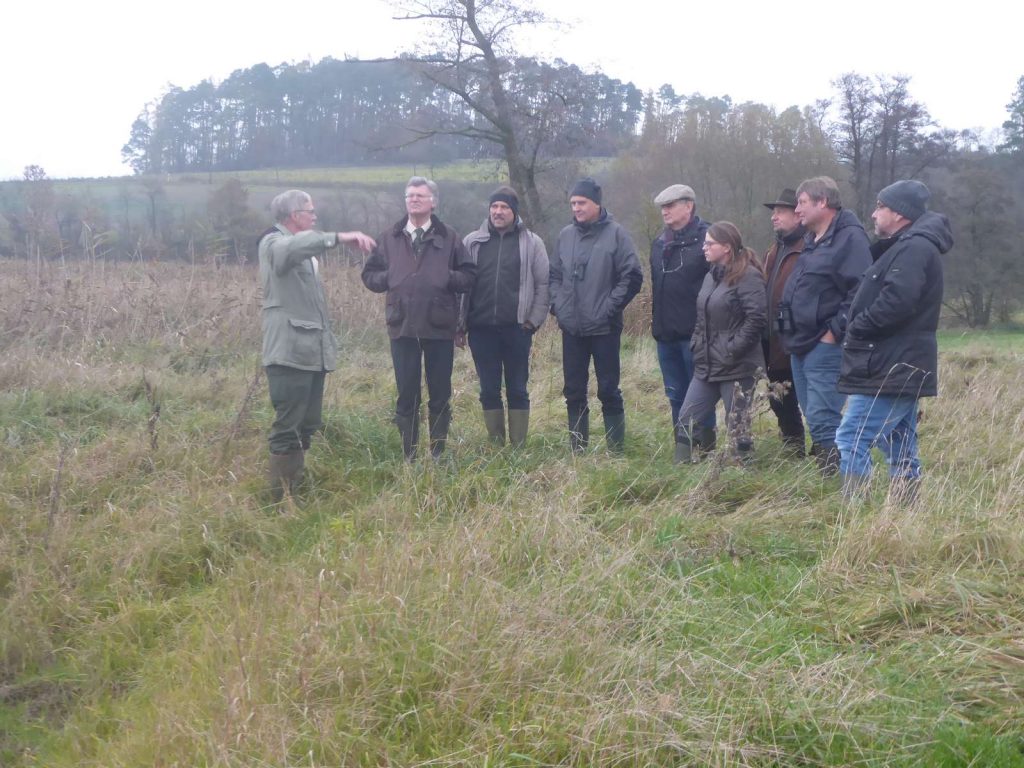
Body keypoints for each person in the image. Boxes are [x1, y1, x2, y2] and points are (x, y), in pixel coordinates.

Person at [835, 180, 952, 502]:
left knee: (851, 437)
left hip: (891, 364)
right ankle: (905, 511)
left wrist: (856, 327)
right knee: (900, 443)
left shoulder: (913, 248)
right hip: (897, 361)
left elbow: (898, 302)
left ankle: (852, 515)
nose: (873, 214)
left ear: (899, 213)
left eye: (880, 207)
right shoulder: (909, 246)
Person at [258, 189, 376, 502]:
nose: (314, 217)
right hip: (288, 354)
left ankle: (295, 487)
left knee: (307, 424)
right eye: (310, 212)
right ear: (294, 215)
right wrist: (338, 237)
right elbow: (294, 246)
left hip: (312, 352)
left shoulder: (301, 251)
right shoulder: (273, 243)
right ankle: (280, 498)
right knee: (288, 426)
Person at [361, 177, 476, 461]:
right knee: (406, 395)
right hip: (402, 325)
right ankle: (409, 455)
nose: (413, 199)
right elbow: (369, 275)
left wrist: (445, 277)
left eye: (420, 196)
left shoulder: (449, 237)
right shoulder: (390, 237)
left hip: (438, 326)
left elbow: (470, 276)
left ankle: (437, 453)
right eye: (409, 195)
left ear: (433, 202)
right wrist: (390, 277)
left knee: (439, 394)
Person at [780, 176, 871, 476]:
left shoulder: (850, 239)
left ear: (823, 203)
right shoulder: (812, 240)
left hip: (825, 343)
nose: (797, 210)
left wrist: (834, 333)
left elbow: (860, 291)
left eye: (802, 203)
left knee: (823, 416)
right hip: (800, 343)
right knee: (813, 415)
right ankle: (827, 475)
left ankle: (840, 479)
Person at [549, 177, 643, 454]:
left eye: (581, 203)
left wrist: (608, 309)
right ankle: (578, 449)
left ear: (597, 204)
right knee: (574, 391)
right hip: (572, 328)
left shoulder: (617, 234)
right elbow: (554, 275)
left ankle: (615, 450)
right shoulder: (565, 236)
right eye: (573, 203)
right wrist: (559, 307)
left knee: (608, 390)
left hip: (604, 328)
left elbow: (632, 276)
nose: (576, 208)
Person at [457, 186, 549, 447]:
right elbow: (461, 286)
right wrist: (459, 325)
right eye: (494, 206)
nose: (498, 212)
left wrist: (533, 321)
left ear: (514, 212)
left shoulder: (532, 242)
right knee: (488, 390)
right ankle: (496, 445)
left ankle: (518, 447)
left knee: (518, 389)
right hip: (481, 329)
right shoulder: (472, 242)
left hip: (517, 329)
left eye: (504, 207)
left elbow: (544, 285)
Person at [674, 222, 767, 464]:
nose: (703, 247)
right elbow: (702, 316)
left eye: (709, 243)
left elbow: (756, 319)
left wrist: (731, 349)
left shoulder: (749, 276)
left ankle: (743, 477)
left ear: (726, 247)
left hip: (736, 365)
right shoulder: (710, 276)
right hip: (706, 364)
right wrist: (696, 343)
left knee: (737, 424)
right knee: (686, 419)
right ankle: (679, 472)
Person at [649, 183, 716, 449]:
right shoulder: (659, 243)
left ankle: (707, 448)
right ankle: (684, 448)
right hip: (665, 335)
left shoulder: (707, 239)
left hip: (696, 335)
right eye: (662, 207)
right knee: (675, 394)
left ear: (688, 206)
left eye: (670, 206)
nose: (664, 212)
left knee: (700, 395)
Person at [761, 188, 807, 455]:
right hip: (772, 340)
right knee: (778, 398)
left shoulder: (807, 247)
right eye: (773, 212)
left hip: (797, 339)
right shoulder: (774, 248)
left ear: (798, 215)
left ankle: (825, 453)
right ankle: (793, 449)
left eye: (780, 212)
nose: (774, 217)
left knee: (807, 401)